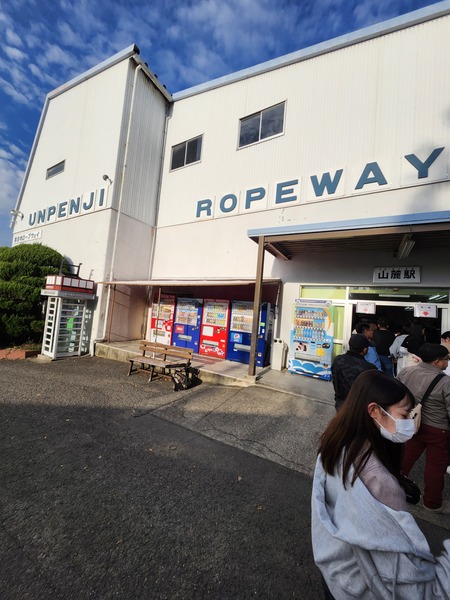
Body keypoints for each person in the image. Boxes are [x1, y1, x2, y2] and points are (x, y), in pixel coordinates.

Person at [311, 370, 450, 598]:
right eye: (405, 415)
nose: (410, 423)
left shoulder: (337, 441)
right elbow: (417, 589)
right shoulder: (379, 481)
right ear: (374, 411)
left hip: (337, 573)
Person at [397, 343, 450, 513]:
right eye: (446, 359)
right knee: (435, 466)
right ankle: (432, 503)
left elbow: (396, 394)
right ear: (436, 362)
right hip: (438, 429)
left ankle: (394, 486)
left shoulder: (406, 372)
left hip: (413, 424)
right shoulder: (445, 382)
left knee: (405, 456)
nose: (447, 362)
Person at [331, 334, 377, 411]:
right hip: (358, 408)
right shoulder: (369, 368)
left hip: (340, 403)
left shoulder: (338, 360)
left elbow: (335, 379)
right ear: (365, 350)